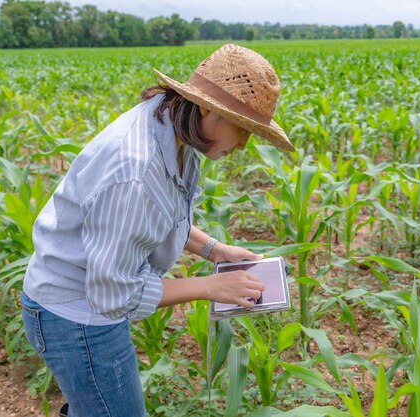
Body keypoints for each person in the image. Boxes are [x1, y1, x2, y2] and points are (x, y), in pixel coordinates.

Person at [20, 44, 294, 417]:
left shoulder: (172, 127)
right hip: (76, 316)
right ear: (208, 108)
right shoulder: (135, 169)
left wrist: (215, 251)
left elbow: (158, 215)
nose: (244, 144)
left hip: (85, 303)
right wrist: (210, 287)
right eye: (242, 128)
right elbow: (113, 293)